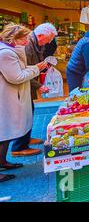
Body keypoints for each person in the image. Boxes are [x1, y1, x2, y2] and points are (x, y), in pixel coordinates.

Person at [0, 24, 48, 183]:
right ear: (14, 38)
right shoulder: (6, 54)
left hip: (10, 96)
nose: (27, 41)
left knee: (5, 133)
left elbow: (20, 69)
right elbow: (17, 76)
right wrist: (36, 69)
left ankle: (3, 161)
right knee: (2, 133)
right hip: (6, 97)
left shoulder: (11, 51)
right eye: (25, 38)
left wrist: (35, 67)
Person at [10, 23, 57, 157]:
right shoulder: (28, 47)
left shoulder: (36, 45)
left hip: (28, 83)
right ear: (40, 35)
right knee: (23, 114)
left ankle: (25, 140)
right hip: (23, 84)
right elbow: (23, 71)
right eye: (48, 39)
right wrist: (39, 85)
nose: (48, 43)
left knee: (29, 111)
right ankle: (18, 146)